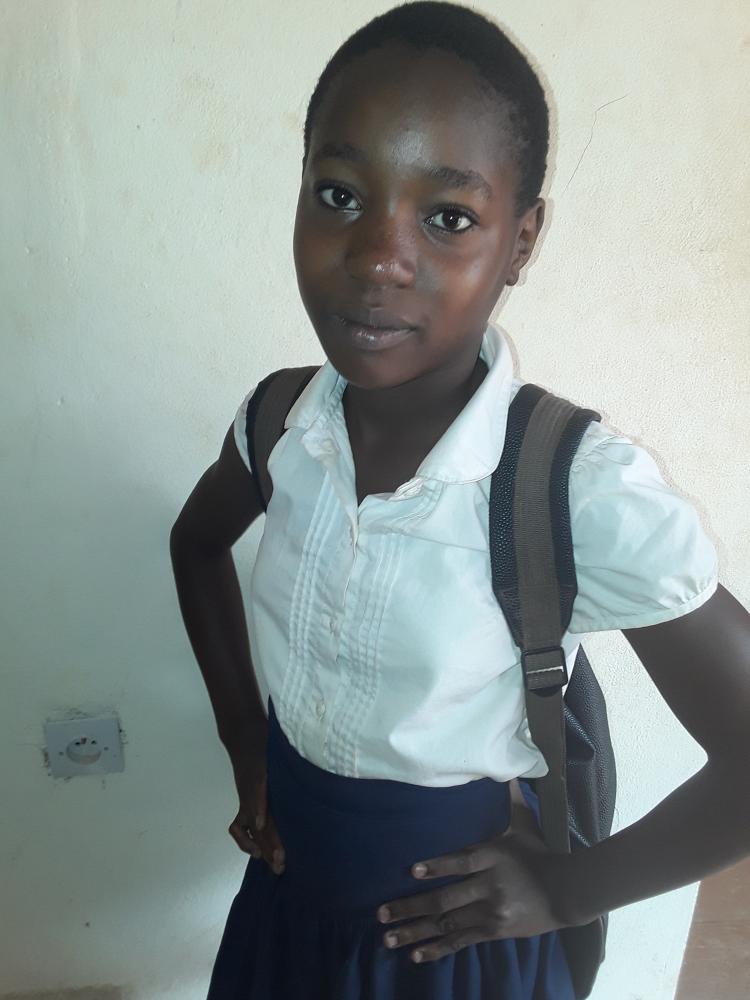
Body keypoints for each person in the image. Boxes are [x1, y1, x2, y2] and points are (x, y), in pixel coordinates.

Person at [169, 3, 750, 998]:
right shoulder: (280, 425)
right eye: (340, 195)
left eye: (447, 217)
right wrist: (244, 740)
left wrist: (569, 891)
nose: (378, 257)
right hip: (288, 907)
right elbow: (194, 544)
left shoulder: (570, 486)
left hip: (452, 953)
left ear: (521, 242)